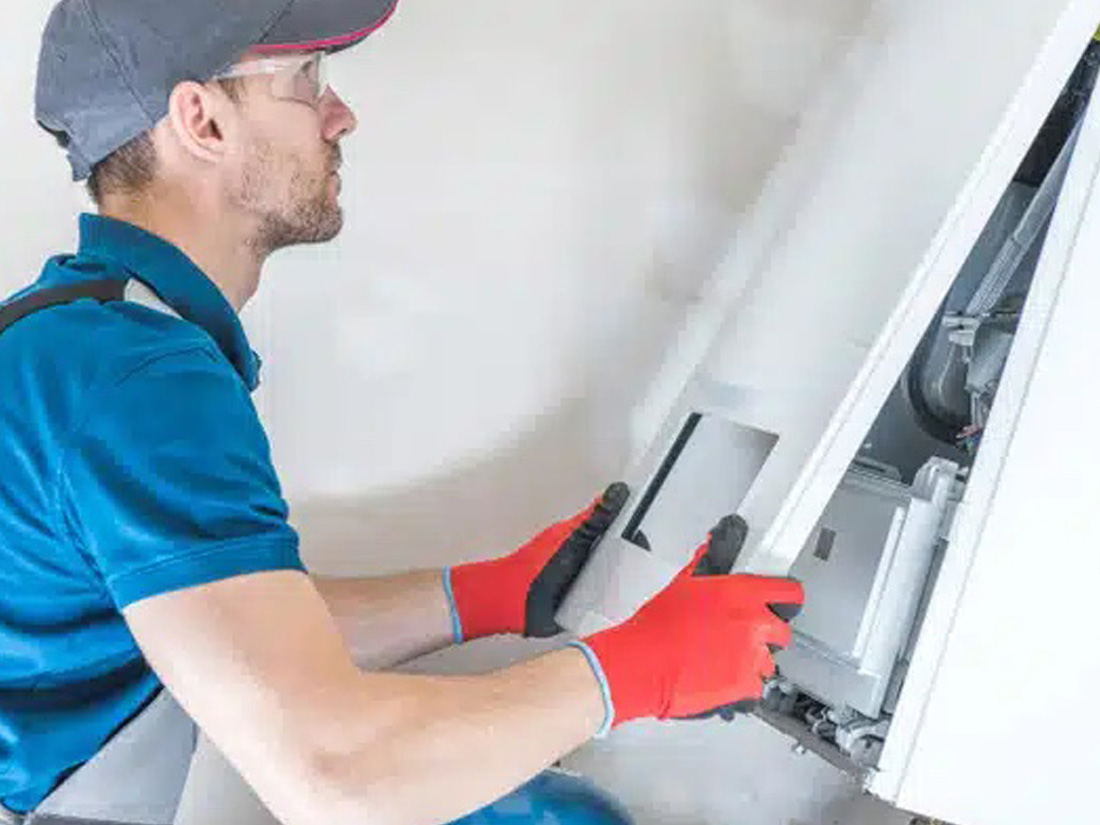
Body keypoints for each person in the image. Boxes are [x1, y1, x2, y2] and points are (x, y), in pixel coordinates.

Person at [0, 2, 805, 824]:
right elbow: (335, 774)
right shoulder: (138, 379)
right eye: (305, 82)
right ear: (202, 121)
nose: (340, 115)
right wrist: (635, 672)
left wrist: (483, 594)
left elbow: (231, 630)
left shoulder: (79, 336)